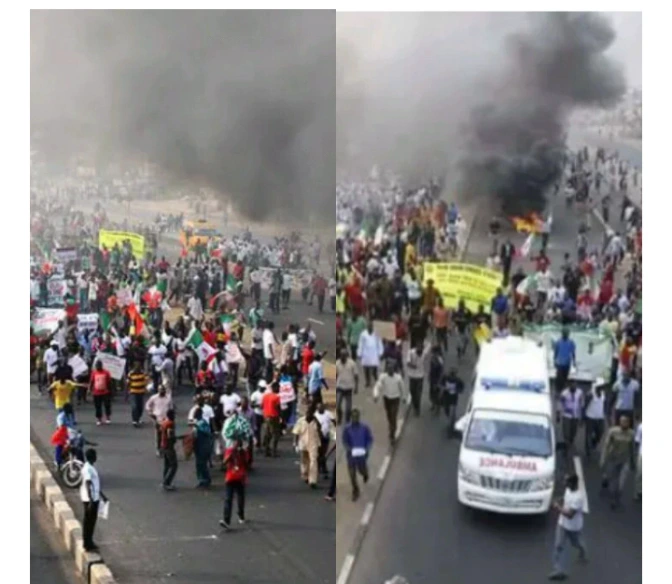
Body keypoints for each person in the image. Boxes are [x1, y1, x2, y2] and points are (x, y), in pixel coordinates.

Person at [548, 474, 588, 580]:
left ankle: (582, 550)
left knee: (576, 543)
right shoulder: (568, 490)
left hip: (573, 527)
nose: (564, 483)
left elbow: (570, 515)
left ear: (572, 483)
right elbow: (565, 498)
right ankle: (559, 570)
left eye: (567, 482)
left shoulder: (579, 497)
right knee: (558, 546)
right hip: (562, 524)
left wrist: (557, 507)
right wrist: (558, 500)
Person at [600, 414, 636, 509]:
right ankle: (613, 499)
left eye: (626, 422)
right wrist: (603, 459)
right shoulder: (613, 432)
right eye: (622, 421)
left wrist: (633, 462)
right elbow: (606, 446)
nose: (624, 423)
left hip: (625, 461)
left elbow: (632, 449)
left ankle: (617, 496)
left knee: (621, 483)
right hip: (613, 459)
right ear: (619, 422)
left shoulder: (631, 434)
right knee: (613, 480)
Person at [373, 362, 408, 446]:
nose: (390, 371)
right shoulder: (383, 377)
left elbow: (402, 388)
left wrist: (404, 397)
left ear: (394, 370)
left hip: (395, 399)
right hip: (387, 399)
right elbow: (378, 386)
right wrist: (376, 395)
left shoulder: (398, 378)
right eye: (389, 369)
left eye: (392, 369)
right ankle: (392, 426)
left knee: (393, 415)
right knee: (389, 415)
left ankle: (392, 434)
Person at [341, 409, 373, 501]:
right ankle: (355, 490)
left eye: (356, 416)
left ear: (359, 417)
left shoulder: (364, 428)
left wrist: (367, 449)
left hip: (362, 456)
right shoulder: (347, 429)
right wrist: (349, 449)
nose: (355, 418)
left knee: (361, 470)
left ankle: (365, 474)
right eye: (353, 417)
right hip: (351, 456)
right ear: (351, 417)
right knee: (352, 475)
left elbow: (370, 439)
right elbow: (344, 441)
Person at [80, 448, 108, 552]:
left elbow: (95, 484)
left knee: (92, 521)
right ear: (92, 457)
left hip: (94, 497)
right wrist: (91, 499)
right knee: (89, 521)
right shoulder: (88, 469)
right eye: (95, 455)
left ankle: (89, 541)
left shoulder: (90, 467)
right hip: (90, 499)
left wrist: (102, 495)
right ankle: (87, 543)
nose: (96, 457)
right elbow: (88, 483)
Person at [220, 438, 249, 531]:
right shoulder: (234, 452)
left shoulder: (241, 452)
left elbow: (224, 463)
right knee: (234, 497)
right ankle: (233, 518)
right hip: (236, 477)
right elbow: (225, 462)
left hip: (235, 477)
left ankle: (234, 517)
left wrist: (237, 454)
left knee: (233, 498)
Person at [292, 405, 321, 488]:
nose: (308, 414)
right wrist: (295, 444)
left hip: (313, 443)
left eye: (310, 413)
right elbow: (296, 433)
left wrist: (317, 421)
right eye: (307, 412)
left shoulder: (315, 421)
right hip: (303, 443)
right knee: (304, 460)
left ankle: (312, 480)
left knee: (313, 461)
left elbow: (320, 430)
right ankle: (305, 474)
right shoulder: (300, 421)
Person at [146, 385, 175, 457]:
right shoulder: (154, 398)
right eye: (160, 390)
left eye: (163, 390)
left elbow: (171, 408)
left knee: (168, 434)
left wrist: (172, 418)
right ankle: (158, 449)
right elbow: (147, 405)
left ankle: (167, 448)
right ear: (158, 390)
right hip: (157, 419)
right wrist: (150, 413)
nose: (162, 391)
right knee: (158, 434)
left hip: (167, 419)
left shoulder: (168, 398)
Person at [335, 348, 358, 425]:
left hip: (349, 388)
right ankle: (340, 418)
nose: (342, 357)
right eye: (341, 355)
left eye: (344, 355)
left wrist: (356, 387)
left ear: (346, 356)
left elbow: (356, 376)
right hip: (340, 387)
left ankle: (347, 420)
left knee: (348, 408)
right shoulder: (337, 363)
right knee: (338, 405)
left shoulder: (352, 364)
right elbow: (335, 374)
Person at [192, 407, 212, 488]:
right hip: (198, 446)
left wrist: (197, 428)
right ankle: (201, 479)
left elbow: (207, 432)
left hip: (203, 446)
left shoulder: (203, 423)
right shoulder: (197, 423)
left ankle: (206, 480)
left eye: (196, 413)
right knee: (199, 464)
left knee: (202, 464)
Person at [89, 360, 112, 425]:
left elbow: (109, 382)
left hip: (105, 392)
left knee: (107, 405)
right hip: (96, 393)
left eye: (99, 365)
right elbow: (92, 381)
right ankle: (99, 419)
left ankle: (108, 418)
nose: (98, 367)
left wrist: (110, 391)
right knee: (97, 406)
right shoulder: (94, 373)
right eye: (97, 366)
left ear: (101, 366)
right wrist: (89, 390)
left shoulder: (106, 372)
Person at [262, 381, 282, 457]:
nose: (279, 389)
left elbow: (262, 406)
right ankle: (274, 452)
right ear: (275, 388)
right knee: (275, 435)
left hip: (266, 417)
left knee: (268, 434)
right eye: (278, 388)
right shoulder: (276, 397)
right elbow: (278, 408)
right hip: (274, 417)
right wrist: (280, 418)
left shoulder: (265, 396)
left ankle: (266, 451)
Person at [160, 409, 179, 491]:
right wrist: (176, 438)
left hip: (163, 445)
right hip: (169, 446)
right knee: (174, 465)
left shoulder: (164, 422)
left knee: (167, 465)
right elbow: (170, 435)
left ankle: (165, 481)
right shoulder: (170, 423)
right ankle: (167, 482)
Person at [553, 329, 576, 394]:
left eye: (567, 333)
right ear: (562, 334)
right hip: (559, 363)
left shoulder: (571, 342)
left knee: (565, 377)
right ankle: (557, 391)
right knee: (559, 377)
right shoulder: (558, 342)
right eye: (564, 333)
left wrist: (574, 361)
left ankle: (562, 391)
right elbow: (556, 352)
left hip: (567, 363)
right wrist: (554, 360)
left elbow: (573, 352)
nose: (566, 335)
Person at [127, 362, 149, 427]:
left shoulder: (143, 373)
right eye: (137, 367)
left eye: (139, 367)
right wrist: (127, 392)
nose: (138, 368)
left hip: (141, 392)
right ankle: (134, 420)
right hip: (133, 392)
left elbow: (147, 381)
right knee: (134, 406)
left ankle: (138, 418)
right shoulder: (131, 373)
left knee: (140, 407)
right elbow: (128, 382)